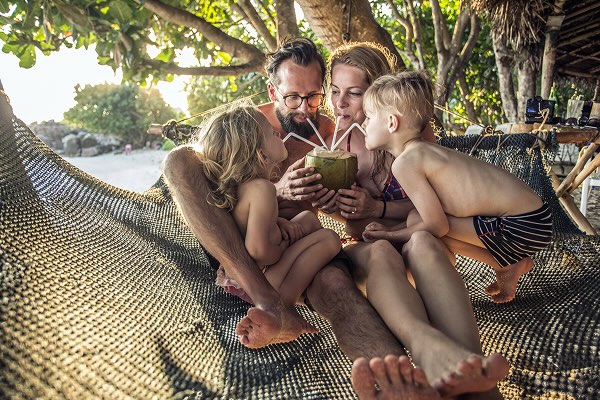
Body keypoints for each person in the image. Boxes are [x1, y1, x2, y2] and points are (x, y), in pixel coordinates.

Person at [317, 42, 509, 399]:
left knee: (422, 242)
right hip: (372, 252)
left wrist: (379, 209)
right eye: (335, 91)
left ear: (378, 93)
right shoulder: (334, 144)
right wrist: (330, 205)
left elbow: (442, 209)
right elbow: (345, 219)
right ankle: (442, 359)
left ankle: (471, 374)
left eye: (354, 93)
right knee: (381, 252)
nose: (340, 103)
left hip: (420, 242)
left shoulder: (412, 136)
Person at [361, 71, 554, 304]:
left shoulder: (406, 163)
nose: (363, 123)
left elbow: (437, 225)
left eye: (369, 117)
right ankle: (509, 264)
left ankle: (507, 263)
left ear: (392, 123)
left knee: (419, 224)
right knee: (414, 219)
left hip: (523, 224)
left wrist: (390, 234)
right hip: (535, 218)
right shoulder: (421, 152)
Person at [194, 105, 341, 322]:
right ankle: (280, 311)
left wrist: (281, 225)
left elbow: (251, 225)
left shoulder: (245, 187)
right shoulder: (263, 189)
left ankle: (282, 300)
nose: (279, 134)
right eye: (273, 134)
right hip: (260, 282)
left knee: (308, 219)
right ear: (262, 155)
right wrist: (281, 244)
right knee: (329, 239)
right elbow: (259, 252)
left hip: (244, 277)